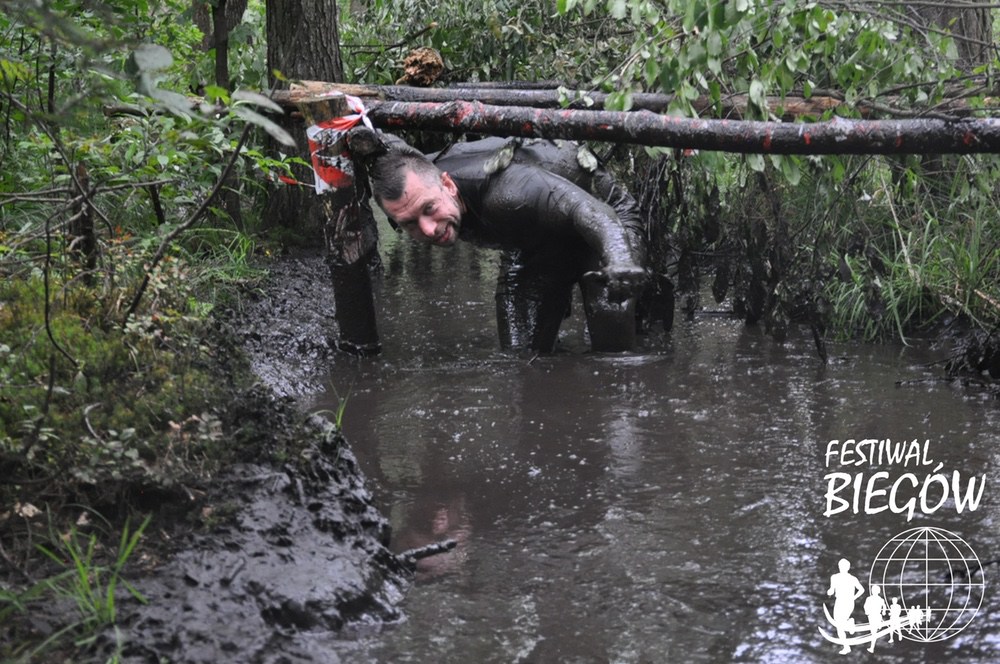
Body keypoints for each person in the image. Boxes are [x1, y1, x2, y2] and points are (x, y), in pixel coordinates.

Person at [351, 129, 652, 353]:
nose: (428, 229)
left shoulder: (508, 194)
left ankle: (649, 305)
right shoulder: (414, 178)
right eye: (410, 223)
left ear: (448, 184)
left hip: (604, 220)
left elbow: (591, 211)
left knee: (613, 346)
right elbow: (391, 148)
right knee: (521, 358)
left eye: (429, 209)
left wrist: (620, 260)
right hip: (534, 242)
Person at [827, 558, 865, 654]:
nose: (842, 567)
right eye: (841, 566)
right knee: (839, 626)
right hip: (839, 601)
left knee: (840, 624)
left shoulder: (852, 579)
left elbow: (861, 590)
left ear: (848, 567)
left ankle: (849, 623)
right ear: (839, 566)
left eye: (844, 566)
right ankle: (846, 646)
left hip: (847, 601)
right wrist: (830, 592)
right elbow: (831, 589)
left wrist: (853, 598)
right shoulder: (834, 577)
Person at [863, 584, 888, 652]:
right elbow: (865, 606)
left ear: (878, 591)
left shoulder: (880, 599)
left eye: (876, 590)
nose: (874, 591)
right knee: (873, 632)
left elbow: (884, 606)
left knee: (873, 632)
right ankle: (872, 647)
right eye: (873, 590)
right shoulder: (869, 598)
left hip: (877, 615)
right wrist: (866, 611)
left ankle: (872, 647)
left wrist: (884, 611)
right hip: (871, 615)